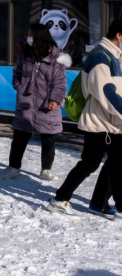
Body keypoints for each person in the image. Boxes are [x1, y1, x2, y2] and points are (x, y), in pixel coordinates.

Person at [48, 19, 122, 216]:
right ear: (119, 35)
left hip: (113, 123)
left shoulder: (114, 56)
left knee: (118, 164)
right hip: (99, 123)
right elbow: (106, 92)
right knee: (89, 163)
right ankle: (60, 199)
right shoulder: (100, 56)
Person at [3, 22, 69, 181]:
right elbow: (17, 71)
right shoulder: (25, 53)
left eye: (31, 35)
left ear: (40, 36)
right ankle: (14, 167)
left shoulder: (56, 58)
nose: (29, 38)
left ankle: (46, 170)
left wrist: (55, 99)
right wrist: (19, 85)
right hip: (26, 103)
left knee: (48, 139)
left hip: (46, 104)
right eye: (28, 34)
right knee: (19, 138)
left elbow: (60, 82)